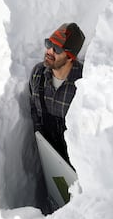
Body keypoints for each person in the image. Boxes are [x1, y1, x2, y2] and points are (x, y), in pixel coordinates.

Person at [29, 22, 85, 164]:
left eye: (57, 49)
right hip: (48, 155)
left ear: (71, 57)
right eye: (49, 44)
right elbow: (34, 108)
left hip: (75, 160)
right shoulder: (38, 74)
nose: (50, 51)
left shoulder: (83, 83)